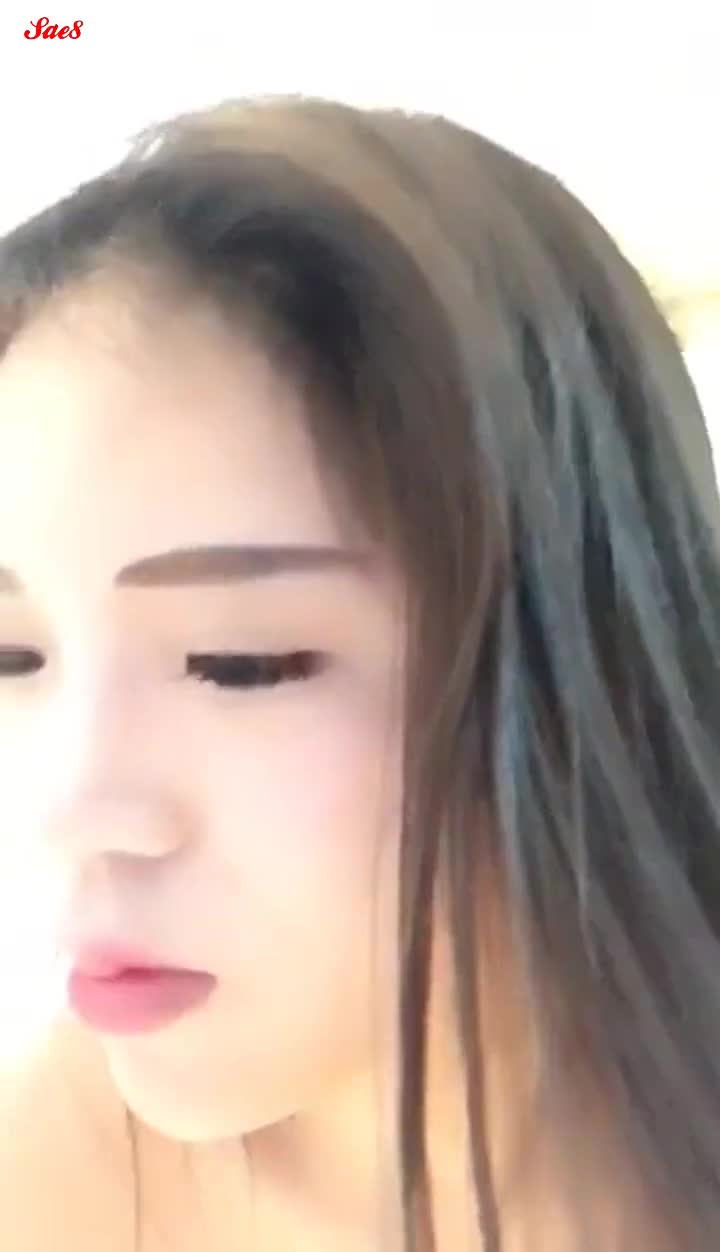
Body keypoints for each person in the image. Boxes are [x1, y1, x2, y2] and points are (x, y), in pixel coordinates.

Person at [0, 96, 718, 1252]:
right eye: (12, 656)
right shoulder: (50, 1182)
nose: (72, 811)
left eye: (239, 663)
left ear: (578, 647)